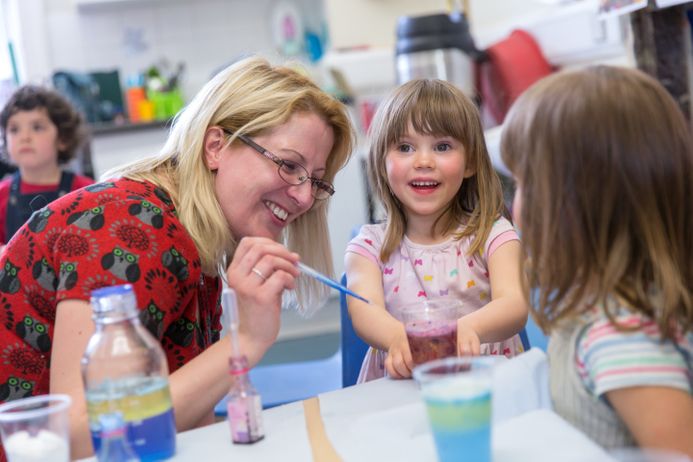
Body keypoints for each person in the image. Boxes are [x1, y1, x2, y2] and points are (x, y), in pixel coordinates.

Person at [0, 56, 354, 459]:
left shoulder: (194, 238)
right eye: (289, 166)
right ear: (216, 147)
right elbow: (84, 438)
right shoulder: (132, 230)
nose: (305, 197)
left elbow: (182, 414)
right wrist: (248, 339)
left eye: (317, 180)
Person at [501, 66, 693, 456]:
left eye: (523, 183)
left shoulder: (620, 337)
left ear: (570, 204)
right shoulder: (592, 307)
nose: (513, 202)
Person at [345, 79, 528, 382]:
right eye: (405, 147)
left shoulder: (494, 234)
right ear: (381, 163)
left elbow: (514, 304)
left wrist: (467, 330)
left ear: (470, 163)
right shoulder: (367, 247)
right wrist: (396, 338)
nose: (424, 161)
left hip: (487, 388)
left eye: (442, 146)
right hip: (402, 390)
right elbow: (365, 311)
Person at [0, 85, 94, 248]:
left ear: (62, 139)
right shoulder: (2, 195)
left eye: (37, 127)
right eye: (14, 129)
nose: (24, 137)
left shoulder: (86, 191)